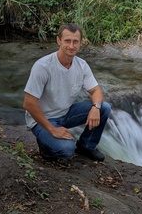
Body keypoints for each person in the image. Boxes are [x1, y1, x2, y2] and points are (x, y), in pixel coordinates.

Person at [23, 23, 111, 162]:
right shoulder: (43, 66)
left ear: (81, 43)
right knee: (66, 150)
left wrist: (96, 108)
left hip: (65, 113)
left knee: (104, 108)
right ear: (59, 40)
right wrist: (52, 130)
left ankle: (86, 146)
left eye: (75, 41)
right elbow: (29, 103)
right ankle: (46, 146)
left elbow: (96, 91)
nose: (71, 46)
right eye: (67, 41)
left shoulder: (81, 65)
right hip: (41, 120)